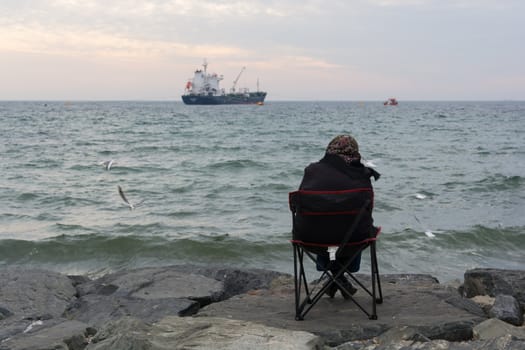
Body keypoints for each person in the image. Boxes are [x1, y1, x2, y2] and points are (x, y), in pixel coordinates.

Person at [297, 134, 380, 299]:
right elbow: (367, 210)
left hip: (312, 240)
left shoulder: (312, 171)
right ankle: (339, 276)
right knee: (353, 228)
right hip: (353, 241)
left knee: (324, 227)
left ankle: (335, 277)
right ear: (355, 152)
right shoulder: (362, 173)